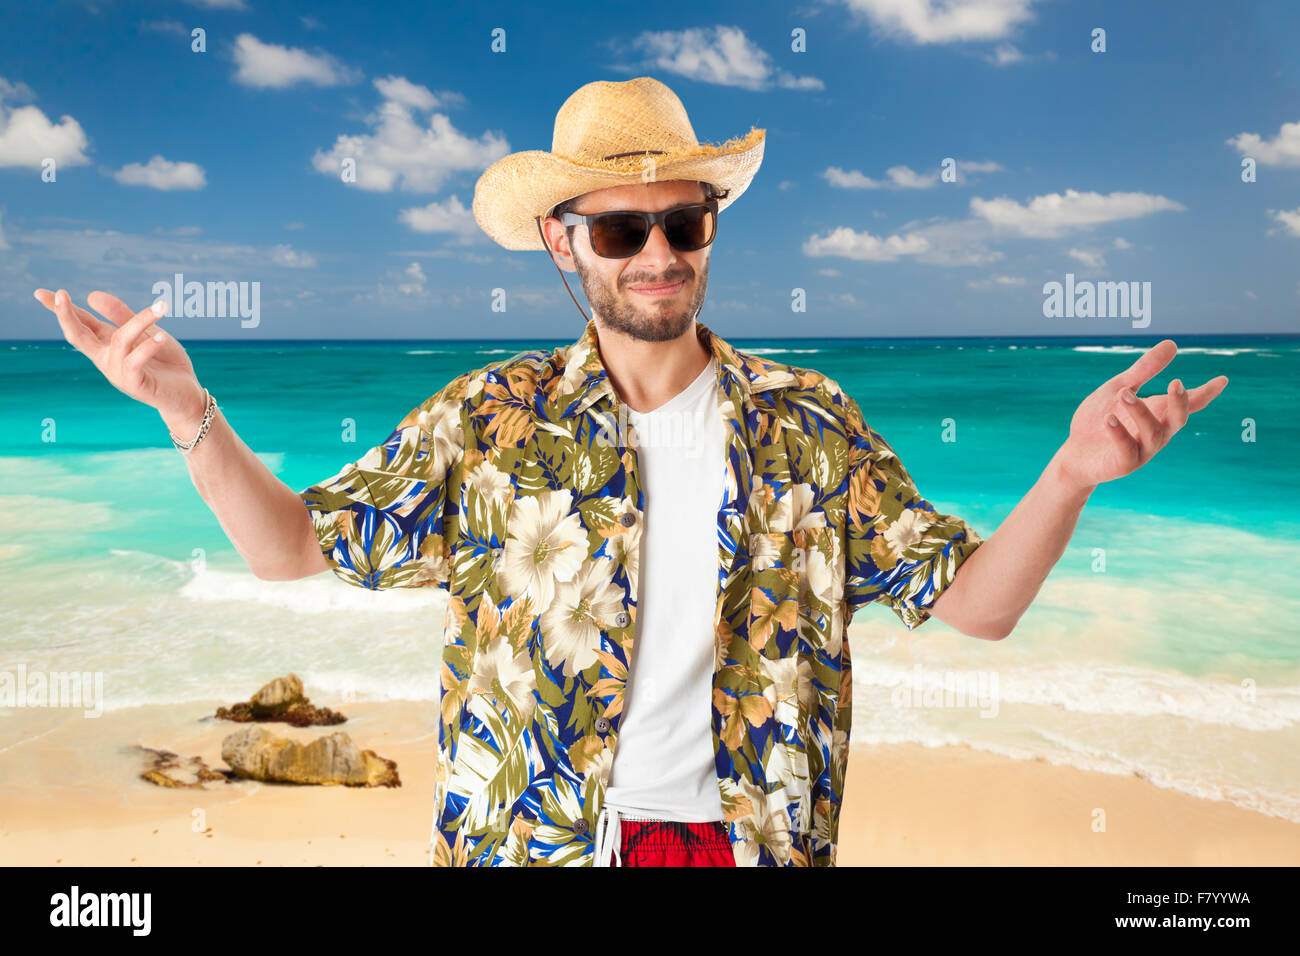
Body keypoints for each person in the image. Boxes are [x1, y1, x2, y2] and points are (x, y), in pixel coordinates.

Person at [34, 76, 1228, 868]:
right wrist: (187, 410)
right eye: (621, 230)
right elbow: (288, 544)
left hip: (747, 843)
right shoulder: (491, 417)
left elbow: (976, 604)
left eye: (684, 222)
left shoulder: (807, 420)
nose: (658, 254)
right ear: (565, 242)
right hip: (533, 840)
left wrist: (1072, 473)